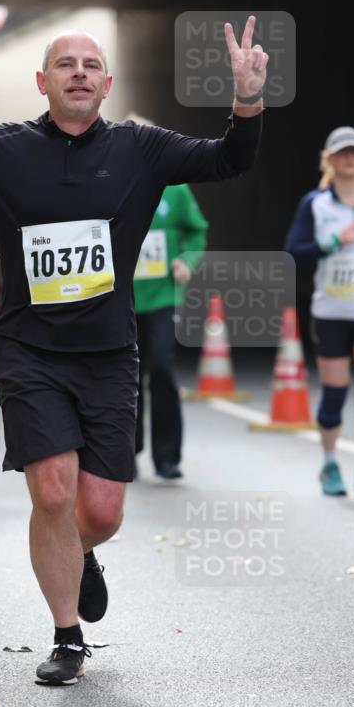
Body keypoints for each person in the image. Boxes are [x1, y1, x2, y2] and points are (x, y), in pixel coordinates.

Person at [0, 18, 266, 685]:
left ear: (107, 82)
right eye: (65, 64)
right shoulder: (2, 151)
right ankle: (67, 637)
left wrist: (247, 101)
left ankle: (77, 553)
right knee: (53, 493)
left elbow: (229, 159)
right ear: (43, 81)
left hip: (109, 354)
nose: (79, 72)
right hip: (29, 350)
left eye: (91, 63)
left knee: (99, 513)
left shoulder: (141, 148)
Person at [284, 126, 354, 501]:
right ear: (330, 160)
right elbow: (294, 251)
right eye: (342, 153)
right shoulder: (315, 204)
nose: (349, 158)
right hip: (331, 311)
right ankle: (330, 462)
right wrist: (333, 242)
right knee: (334, 394)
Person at [132, 175, 208, 479]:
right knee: (125, 377)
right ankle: (125, 453)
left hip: (162, 296)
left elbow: (197, 231)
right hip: (120, 298)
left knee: (162, 367)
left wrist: (186, 261)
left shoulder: (174, 190)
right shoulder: (110, 181)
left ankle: (167, 457)